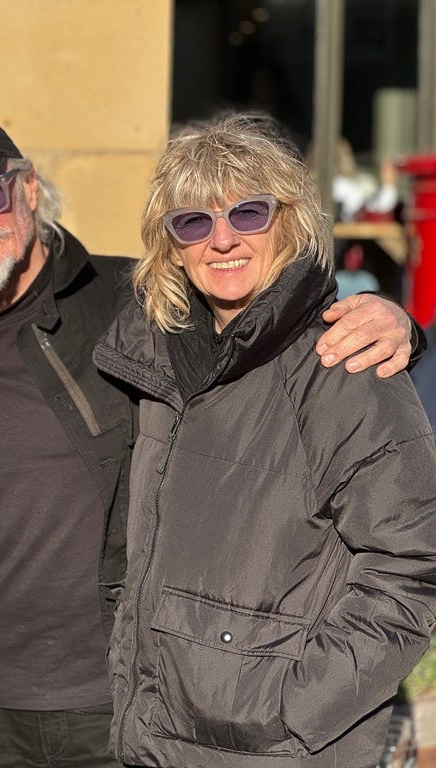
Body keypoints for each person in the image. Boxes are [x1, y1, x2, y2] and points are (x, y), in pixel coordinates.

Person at [0, 111, 422, 768]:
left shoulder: (128, 305)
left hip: (117, 709)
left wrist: (396, 325)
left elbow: (408, 556)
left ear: (25, 188)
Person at [92, 112, 436, 767]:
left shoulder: (343, 362)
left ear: (291, 220)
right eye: (194, 221)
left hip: (275, 749)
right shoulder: (153, 362)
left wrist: (290, 710)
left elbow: (413, 565)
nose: (221, 239)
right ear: (171, 243)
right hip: (156, 741)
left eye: (248, 213)